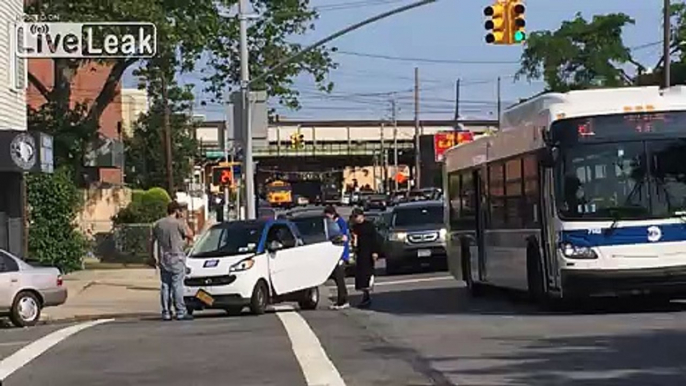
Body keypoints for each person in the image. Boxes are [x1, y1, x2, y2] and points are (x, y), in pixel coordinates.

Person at [151, 201, 194, 321]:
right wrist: (184, 221)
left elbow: (151, 241)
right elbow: (190, 235)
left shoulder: (158, 224)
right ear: (176, 211)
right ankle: (180, 311)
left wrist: (151, 256)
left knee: (165, 285)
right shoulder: (178, 223)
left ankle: (166, 311)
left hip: (163, 257)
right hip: (177, 257)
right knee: (177, 285)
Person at [350, 208, 381, 308]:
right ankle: (365, 295)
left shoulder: (369, 226)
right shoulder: (355, 227)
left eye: (357, 216)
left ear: (362, 216)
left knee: (367, 274)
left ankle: (367, 295)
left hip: (368, 253)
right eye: (354, 217)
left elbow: (375, 239)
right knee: (360, 276)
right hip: (360, 253)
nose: (356, 219)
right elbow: (353, 241)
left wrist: (375, 252)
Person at [324, 205, 350, 309]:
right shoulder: (331, 223)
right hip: (335, 254)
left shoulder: (340, 223)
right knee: (337, 278)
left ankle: (343, 300)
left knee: (340, 279)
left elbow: (344, 238)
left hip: (341, 255)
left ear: (332, 214)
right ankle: (341, 300)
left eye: (328, 215)